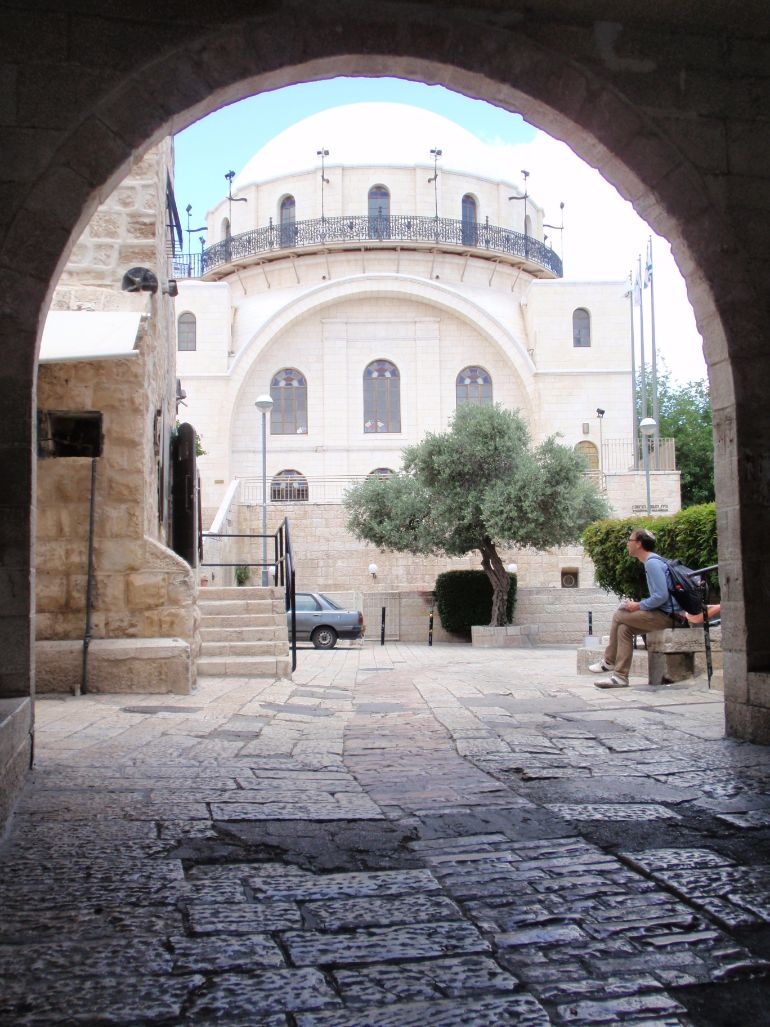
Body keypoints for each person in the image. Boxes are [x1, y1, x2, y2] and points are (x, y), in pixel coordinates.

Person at [590, 527, 682, 688]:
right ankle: (620, 677)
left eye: (630, 540)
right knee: (624, 629)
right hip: (664, 614)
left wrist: (637, 605)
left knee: (619, 614)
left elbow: (661, 596)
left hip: (667, 616)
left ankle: (608, 661)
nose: (627, 544)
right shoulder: (653, 561)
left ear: (639, 544)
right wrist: (638, 605)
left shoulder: (652, 563)